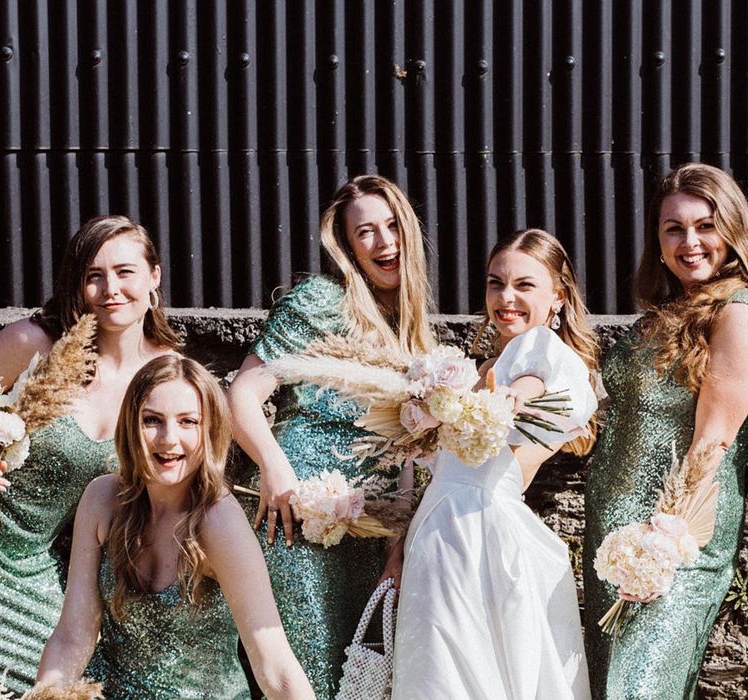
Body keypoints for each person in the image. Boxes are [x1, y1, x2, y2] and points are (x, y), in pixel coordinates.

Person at [227, 175, 435, 697]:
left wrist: (398, 540)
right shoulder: (321, 300)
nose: (384, 242)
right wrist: (276, 472)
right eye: (366, 233)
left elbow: (405, 450)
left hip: (371, 533)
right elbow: (243, 396)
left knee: (364, 683)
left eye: (392, 227)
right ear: (347, 247)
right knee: (308, 678)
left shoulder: (410, 329)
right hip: (299, 521)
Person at [391, 229, 599, 700]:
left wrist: (513, 396)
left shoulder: (537, 351)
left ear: (557, 298)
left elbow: (537, 377)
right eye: (495, 283)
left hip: (476, 538)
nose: (506, 297)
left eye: (525, 285)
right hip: (438, 533)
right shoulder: (478, 367)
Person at [0, 215, 180, 694]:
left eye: (125, 272)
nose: (110, 288)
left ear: (154, 277)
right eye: (94, 275)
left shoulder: (173, 378)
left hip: (56, 581)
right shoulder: (34, 344)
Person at [36, 356, 314, 700]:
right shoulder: (102, 498)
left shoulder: (218, 520)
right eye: (152, 420)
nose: (169, 439)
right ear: (130, 425)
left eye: (188, 422)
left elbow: (273, 663)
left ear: (209, 430)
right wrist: (44, 695)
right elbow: (72, 635)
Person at [583, 163, 748, 699]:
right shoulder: (665, 313)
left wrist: (663, 542)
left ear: (733, 232)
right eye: (673, 228)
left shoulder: (735, 311)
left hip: (672, 540)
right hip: (615, 536)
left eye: (705, 226)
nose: (690, 241)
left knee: (640, 689)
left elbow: (715, 438)